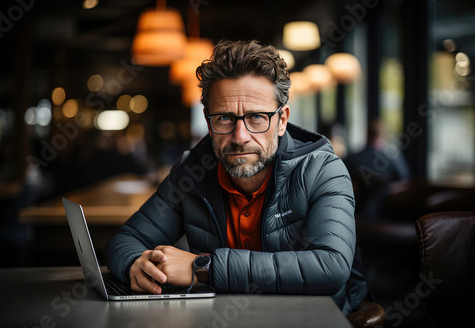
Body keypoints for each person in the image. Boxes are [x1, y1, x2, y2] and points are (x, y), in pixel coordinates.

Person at [105, 40, 368, 315]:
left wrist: (204, 268)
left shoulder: (323, 170)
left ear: (282, 120)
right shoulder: (191, 172)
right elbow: (124, 241)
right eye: (224, 119)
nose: (240, 137)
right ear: (208, 123)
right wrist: (136, 263)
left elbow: (330, 267)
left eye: (256, 117)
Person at [344, 119, 410, 220]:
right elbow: (405, 179)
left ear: (366, 135)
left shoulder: (351, 159)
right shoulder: (392, 157)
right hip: (388, 214)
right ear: (383, 136)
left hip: (356, 213)